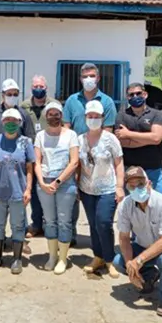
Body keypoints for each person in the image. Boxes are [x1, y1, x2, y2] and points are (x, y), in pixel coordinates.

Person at [113, 166, 162, 317]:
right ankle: (148, 277)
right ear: (127, 188)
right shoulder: (125, 205)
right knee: (118, 261)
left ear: (149, 183)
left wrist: (139, 260)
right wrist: (130, 263)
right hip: (143, 245)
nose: (137, 189)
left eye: (140, 184)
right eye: (132, 186)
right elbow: (124, 238)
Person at [63, 63, 117, 246]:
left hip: (98, 158)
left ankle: (100, 239)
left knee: (95, 194)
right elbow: (66, 127)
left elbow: (108, 130)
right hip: (75, 155)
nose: (89, 80)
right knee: (72, 194)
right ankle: (70, 234)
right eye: (85, 76)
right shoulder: (72, 101)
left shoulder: (107, 102)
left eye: (92, 76)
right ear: (80, 79)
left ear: (98, 78)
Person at [0, 78, 35, 254]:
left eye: (15, 94)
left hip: (18, 165)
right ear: (3, 94)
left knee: (19, 208)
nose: (12, 96)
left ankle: (20, 243)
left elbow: (30, 137)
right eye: (9, 94)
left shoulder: (24, 114)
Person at [78, 100, 125, 277]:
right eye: (90, 116)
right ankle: (98, 257)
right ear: (85, 118)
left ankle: (109, 259)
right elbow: (77, 165)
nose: (93, 119)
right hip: (86, 189)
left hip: (107, 189)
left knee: (104, 222)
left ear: (103, 118)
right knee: (93, 224)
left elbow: (119, 164)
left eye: (96, 116)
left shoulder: (110, 139)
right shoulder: (80, 139)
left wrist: (120, 187)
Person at [33, 101, 79, 275]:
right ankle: (52, 256)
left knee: (64, 221)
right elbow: (36, 161)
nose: (53, 117)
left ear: (61, 115)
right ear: (46, 116)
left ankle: (63, 258)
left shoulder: (71, 135)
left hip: (65, 184)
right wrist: (42, 182)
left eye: (56, 113)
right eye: (50, 114)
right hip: (44, 182)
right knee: (49, 220)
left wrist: (58, 181)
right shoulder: (40, 136)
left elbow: (74, 161)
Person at [20, 74, 56, 239]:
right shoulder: (24, 106)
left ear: (46, 88)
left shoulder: (53, 105)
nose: (38, 89)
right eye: (36, 86)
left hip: (50, 153)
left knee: (49, 190)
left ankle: (51, 225)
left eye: (41, 86)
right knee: (34, 190)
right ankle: (36, 224)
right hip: (30, 155)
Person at [115, 82, 162, 193]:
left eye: (138, 93)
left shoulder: (157, 114)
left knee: (156, 205)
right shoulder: (122, 115)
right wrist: (149, 139)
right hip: (129, 170)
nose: (135, 97)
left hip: (153, 169)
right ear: (127, 97)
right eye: (131, 94)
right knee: (131, 206)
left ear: (145, 94)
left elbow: (157, 138)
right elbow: (122, 141)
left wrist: (129, 134)